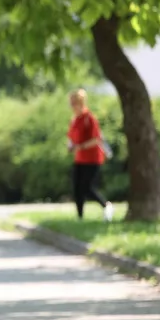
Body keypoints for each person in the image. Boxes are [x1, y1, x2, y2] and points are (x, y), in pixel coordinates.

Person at [67, 89, 114, 221]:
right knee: (77, 188)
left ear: (80, 103)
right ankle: (80, 216)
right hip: (79, 158)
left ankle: (106, 205)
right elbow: (71, 137)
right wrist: (70, 146)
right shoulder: (75, 120)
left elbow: (96, 139)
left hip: (92, 158)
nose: (71, 107)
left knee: (87, 188)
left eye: (73, 103)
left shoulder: (89, 118)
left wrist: (81, 146)